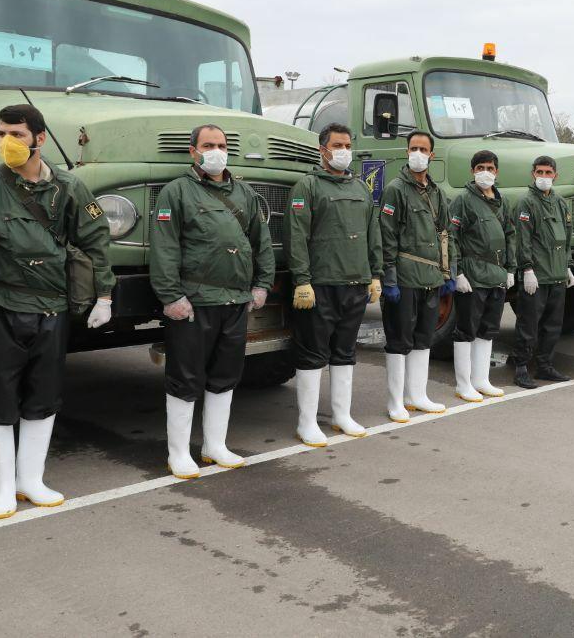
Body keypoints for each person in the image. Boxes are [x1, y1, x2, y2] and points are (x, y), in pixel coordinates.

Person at [0, 104, 114, 517]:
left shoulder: (69, 187)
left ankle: (31, 479)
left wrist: (105, 296)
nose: (7, 142)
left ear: (40, 139)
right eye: (2, 134)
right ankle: (2, 485)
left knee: (43, 397)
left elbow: (95, 240)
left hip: (51, 308)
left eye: (17, 134)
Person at [151, 124, 272, 478]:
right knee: (185, 376)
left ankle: (214, 445)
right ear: (193, 151)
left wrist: (262, 285)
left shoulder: (245, 194)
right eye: (208, 145)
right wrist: (171, 295)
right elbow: (165, 247)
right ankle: (177, 453)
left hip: (235, 300)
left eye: (221, 145)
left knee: (226, 374)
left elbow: (259, 242)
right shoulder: (176, 193)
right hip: (194, 302)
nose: (216, 151)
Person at [285, 123, 381, 445]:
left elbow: (373, 234)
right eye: (337, 145)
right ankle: (307, 422)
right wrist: (302, 280)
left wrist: (375, 274)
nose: (343, 151)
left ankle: (341, 415)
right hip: (320, 285)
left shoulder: (361, 189)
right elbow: (296, 237)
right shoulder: (307, 187)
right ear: (322, 149)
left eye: (347, 145)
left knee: (345, 352)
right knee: (313, 354)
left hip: (354, 283)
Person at [378, 132, 455, 417]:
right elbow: (387, 236)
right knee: (400, 339)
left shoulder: (437, 193)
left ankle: (417, 395)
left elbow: (447, 234)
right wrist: (389, 278)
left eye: (423, 149)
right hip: (406, 277)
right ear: (407, 151)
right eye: (414, 148)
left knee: (424, 338)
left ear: (432, 155)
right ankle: (395, 401)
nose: (418, 153)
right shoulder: (395, 189)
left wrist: (449, 273)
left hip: (431, 278)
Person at [448, 150, 517, 400]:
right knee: (466, 329)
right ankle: (463, 384)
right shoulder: (463, 200)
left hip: (496, 274)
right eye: (479, 168)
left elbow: (511, 235)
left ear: (496, 171)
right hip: (473, 275)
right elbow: (452, 237)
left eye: (489, 167)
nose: (484, 172)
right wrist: (458, 272)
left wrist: (511, 269)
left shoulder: (503, 201)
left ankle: (481, 379)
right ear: (472, 171)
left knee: (488, 329)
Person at [512, 156, 574, 388]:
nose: (544, 177)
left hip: (557, 274)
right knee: (529, 324)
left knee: (553, 325)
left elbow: (566, 237)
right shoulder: (526, 203)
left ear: (555, 175)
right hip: (536, 276)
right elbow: (523, 240)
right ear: (533, 174)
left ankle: (545, 366)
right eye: (540, 172)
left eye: (548, 173)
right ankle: (521, 368)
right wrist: (527, 269)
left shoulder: (560, 202)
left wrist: (567, 265)